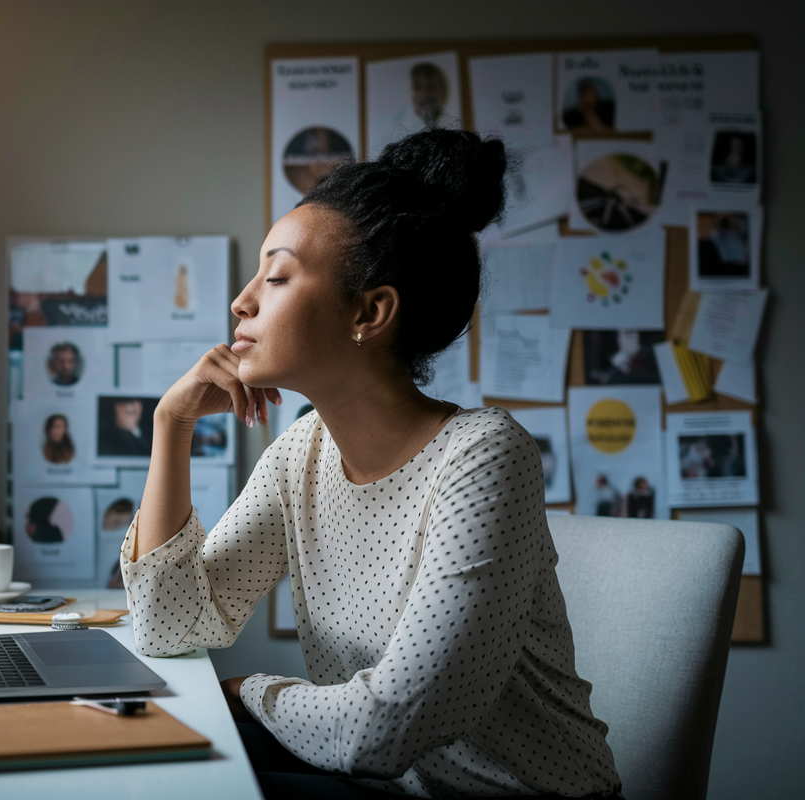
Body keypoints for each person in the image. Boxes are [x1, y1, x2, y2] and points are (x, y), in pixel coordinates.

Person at [121, 129, 620, 799]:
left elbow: (387, 728)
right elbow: (170, 625)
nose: (242, 301)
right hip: (385, 785)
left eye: (276, 276)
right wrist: (170, 424)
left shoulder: (484, 455)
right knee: (160, 759)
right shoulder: (301, 453)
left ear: (369, 312)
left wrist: (246, 690)